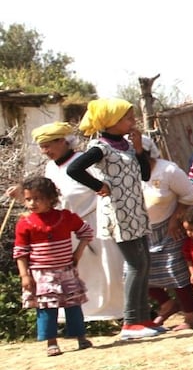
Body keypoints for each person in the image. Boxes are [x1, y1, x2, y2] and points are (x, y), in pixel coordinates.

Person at [66, 98, 162, 340]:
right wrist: (98, 186)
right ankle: (130, 322)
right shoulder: (100, 147)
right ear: (112, 122)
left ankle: (143, 318)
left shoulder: (127, 145)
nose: (132, 121)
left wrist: (139, 149)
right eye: (127, 118)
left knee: (144, 263)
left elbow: (145, 174)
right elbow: (74, 169)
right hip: (118, 212)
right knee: (135, 264)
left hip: (135, 210)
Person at [14, 122, 125, 322]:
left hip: (95, 220)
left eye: (48, 145)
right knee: (81, 272)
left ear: (63, 141)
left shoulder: (83, 162)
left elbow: (101, 188)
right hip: (67, 226)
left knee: (109, 267)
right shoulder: (50, 167)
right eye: (42, 147)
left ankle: (118, 312)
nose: (45, 151)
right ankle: (87, 317)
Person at [13, 176, 95, 357]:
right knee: (47, 307)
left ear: (51, 198)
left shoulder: (66, 217)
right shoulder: (25, 223)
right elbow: (20, 252)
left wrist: (78, 253)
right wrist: (24, 276)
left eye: (37, 198)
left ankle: (80, 337)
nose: (32, 203)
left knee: (73, 305)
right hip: (42, 274)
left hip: (66, 270)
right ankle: (51, 342)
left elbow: (86, 232)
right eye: (28, 199)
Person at [141, 135, 193, 331]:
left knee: (175, 271)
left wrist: (175, 220)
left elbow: (188, 195)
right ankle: (167, 304)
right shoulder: (131, 173)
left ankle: (191, 318)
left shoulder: (168, 170)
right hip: (145, 230)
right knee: (138, 272)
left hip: (171, 228)